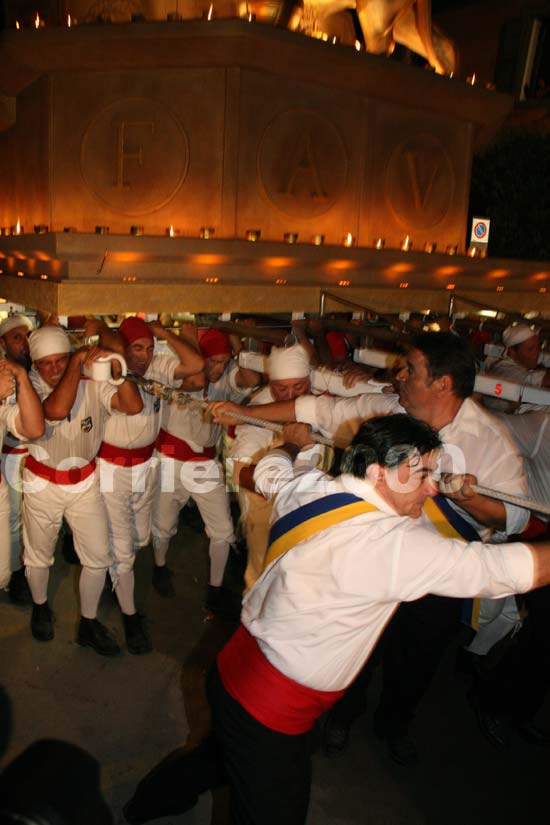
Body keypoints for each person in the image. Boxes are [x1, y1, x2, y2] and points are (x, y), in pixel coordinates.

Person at [122, 414, 546, 825]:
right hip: (269, 712)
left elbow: (270, 468)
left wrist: (292, 441)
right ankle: (145, 803)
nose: (433, 489)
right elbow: (503, 571)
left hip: (235, 670)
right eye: (423, 475)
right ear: (381, 473)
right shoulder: (393, 545)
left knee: (217, 755)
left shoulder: (312, 487)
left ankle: (143, 804)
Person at [211, 332, 529, 761]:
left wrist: (472, 500)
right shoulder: (389, 409)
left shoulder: (493, 441)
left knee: (415, 660)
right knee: (358, 647)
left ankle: (394, 725)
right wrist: (244, 412)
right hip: (365, 562)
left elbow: (516, 518)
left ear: (443, 383)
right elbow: (317, 408)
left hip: (437, 568)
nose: (397, 374)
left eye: (409, 369)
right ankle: (343, 716)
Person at [23, 326, 142, 655]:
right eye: (46, 363)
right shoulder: (29, 385)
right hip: (42, 481)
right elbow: (56, 411)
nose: (54, 368)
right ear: (35, 366)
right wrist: (76, 362)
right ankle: (40, 605)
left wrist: (119, 371)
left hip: (85, 481)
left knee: (98, 557)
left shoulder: (93, 379)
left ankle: (88, 623)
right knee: (38, 556)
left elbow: (132, 407)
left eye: (61, 360)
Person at [94, 317, 204, 653]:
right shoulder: (107, 375)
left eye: (149, 348)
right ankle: (130, 618)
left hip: (147, 465)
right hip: (113, 468)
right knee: (123, 550)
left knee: (140, 538)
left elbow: (197, 368)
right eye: (137, 347)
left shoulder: (155, 368)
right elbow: (134, 404)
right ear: (123, 348)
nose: (144, 355)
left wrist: (164, 333)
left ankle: (117, 580)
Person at [151, 328, 260, 611]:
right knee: (163, 527)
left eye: (224, 361)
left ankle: (215, 588)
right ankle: (159, 566)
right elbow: (195, 372)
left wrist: (236, 349)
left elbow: (251, 378)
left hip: (205, 465)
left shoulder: (226, 377)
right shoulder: (182, 372)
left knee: (223, 531)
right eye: (213, 361)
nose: (218, 368)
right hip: (171, 460)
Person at [227, 343, 323, 590]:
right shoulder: (257, 413)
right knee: (263, 573)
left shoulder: (316, 401)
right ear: (270, 383)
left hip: (306, 506)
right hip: (266, 507)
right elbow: (240, 473)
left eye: (298, 387)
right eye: (281, 388)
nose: (290, 396)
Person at [0, 314, 33, 604]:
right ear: (3, 343)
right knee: (13, 520)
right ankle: (15, 574)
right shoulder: (4, 376)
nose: (25, 343)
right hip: (11, 458)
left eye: (27, 336)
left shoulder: (38, 369)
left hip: (40, 458)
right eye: (17, 338)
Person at [483, 323, 550, 413]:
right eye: (530, 349)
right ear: (512, 352)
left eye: (538, 347)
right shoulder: (504, 369)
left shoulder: (523, 366)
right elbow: (533, 379)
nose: (537, 353)